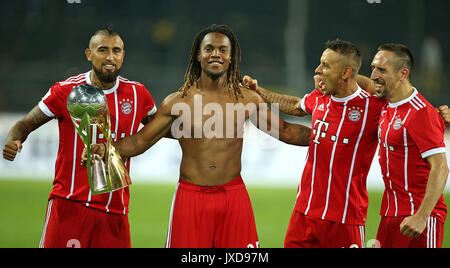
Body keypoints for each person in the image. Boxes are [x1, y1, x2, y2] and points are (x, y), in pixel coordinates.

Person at [85, 24, 312, 248]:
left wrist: (328, 135)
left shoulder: (247, 99)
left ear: (231, 57)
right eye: (209, 48)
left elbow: (286, 131)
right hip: (190, 197)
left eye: (223, 50)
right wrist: (106, 148)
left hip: (233, 196)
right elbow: (140, 141)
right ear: (198, 55)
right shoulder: (178, 102)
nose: (216, 54)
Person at [2, 25, 157, 248]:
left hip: (116, 213)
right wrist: (13, 139)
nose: (110, 57)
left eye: (116, 50)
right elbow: (25, 124)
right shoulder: (66, 90)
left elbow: (162, 128)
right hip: (70, 206)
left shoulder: (138, 94)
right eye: (103, 50)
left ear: (123, 55)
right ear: (89, 54)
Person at [244, 39, 390, 248]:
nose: (318, 70)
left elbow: (402, 97)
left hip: (344, 219)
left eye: (326, 66)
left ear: (346, 73)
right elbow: (294, 105)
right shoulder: (321, 97)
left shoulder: (374, 107)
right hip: (304, 213)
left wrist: (439, 115)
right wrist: (260, 92)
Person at [370, 43, 448, 248]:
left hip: (419, 219)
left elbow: (441, 167)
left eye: (381, 70)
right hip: (390, 216)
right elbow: (360, 83)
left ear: (402, 73)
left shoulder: (420, 112)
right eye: (373, 68)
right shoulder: (386, 105)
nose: (373, 75)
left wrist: (422, 216)